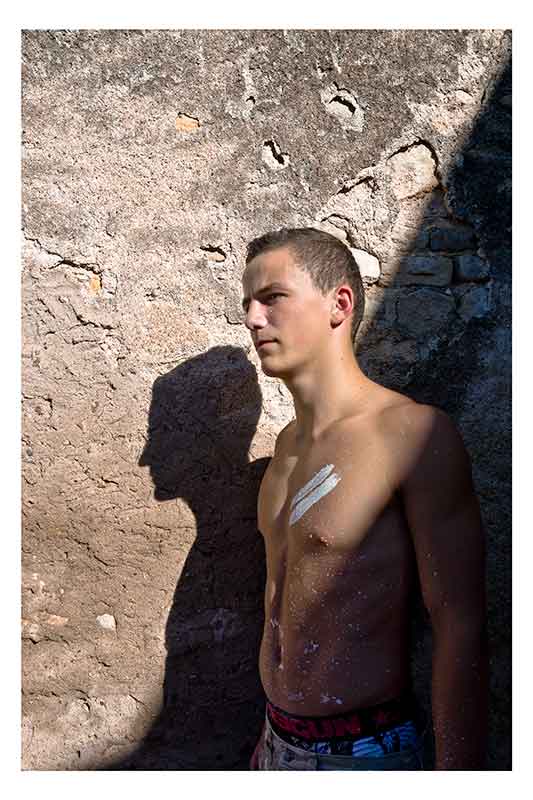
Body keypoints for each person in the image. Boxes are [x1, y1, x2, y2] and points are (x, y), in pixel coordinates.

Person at [241, 227, 488, 771]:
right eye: (248, 304)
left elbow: (460, 623)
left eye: (273, 297)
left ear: (340, 304)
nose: (254, 319)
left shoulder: (411, 435)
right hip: (276, 741)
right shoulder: (285, 448)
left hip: (367, 752)